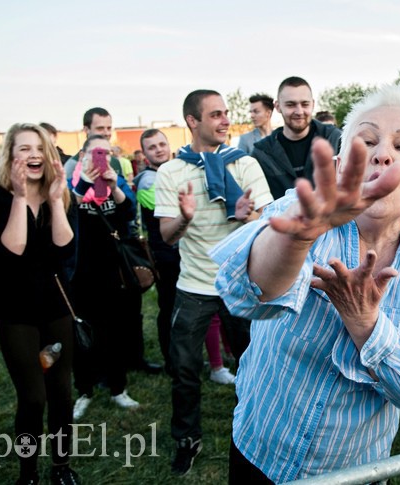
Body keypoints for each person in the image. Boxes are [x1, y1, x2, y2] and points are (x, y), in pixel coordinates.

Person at [211, 84, 400, 483]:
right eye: (367, 141)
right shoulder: (294, 211)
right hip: (262, 449)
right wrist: (299, 236)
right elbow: (242, 295)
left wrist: (365, 324)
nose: (382, 153)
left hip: (353, 469)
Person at [154, 89, 273, 475]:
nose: (225, 120)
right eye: (216, 114)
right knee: (184, 367)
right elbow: (168, 236)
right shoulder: (172, 172)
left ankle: (259, 428)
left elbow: (267, 224)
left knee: (254, 363)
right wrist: (185, 217)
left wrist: (244, 215)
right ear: (193, 121)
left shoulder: (245, 165)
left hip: (240, 282)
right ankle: (187, 440)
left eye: (226, 114)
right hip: (194, 286)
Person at [0, 123, 80, 484]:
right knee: (33, 398)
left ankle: (61, 467)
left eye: (39, 148)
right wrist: (22, 197)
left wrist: (55, 200)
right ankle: (28, 472)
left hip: (55, 309)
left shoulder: (62, 196)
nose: (34, 154)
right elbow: (14, 250)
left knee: (60, 392)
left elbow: (65, 251)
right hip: (14, 313)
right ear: (11, 156)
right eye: (24, 149)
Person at [70, 134, 143, 421]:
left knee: (116, 333)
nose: (101, 158)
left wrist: (113, 185)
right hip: (80, 273)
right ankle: (85, 390)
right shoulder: (72, 184)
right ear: (83, 156)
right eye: (95, 153)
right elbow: (68, 212)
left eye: (105, 153)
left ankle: (118, 388)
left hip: (114, 272)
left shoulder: (113, 181)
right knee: (83, 335)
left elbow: (127, 212)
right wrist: (85, 183)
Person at [251, 77, 342, 199]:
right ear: (277, 106)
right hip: (283, 217)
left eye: (305, 104)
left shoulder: (335, 139)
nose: (299, 111)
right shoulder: (262, 154)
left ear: (313, 104)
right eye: (291, 105)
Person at [134, 128, 178, 375]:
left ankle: (181, 357)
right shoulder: (147, 180)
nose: (159, 149)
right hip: (164, 255)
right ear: (144, 154)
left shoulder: (171, 171)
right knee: (169, 308)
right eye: (152, 147)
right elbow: (165, 205)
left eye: (162, 144)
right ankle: (172, 361)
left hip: (181, 252)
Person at [63, 107, 124, 182]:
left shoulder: (115, 162)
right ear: (86, 130)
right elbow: (68, 193)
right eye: (100, 128)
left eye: (109, 128)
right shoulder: (73, 165)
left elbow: (124, 191)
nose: (106, 133)